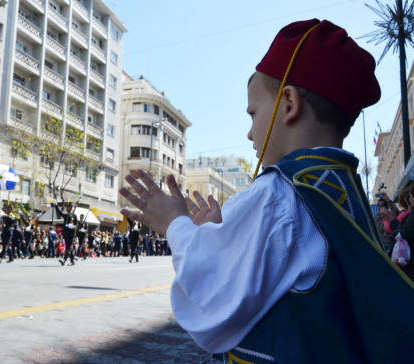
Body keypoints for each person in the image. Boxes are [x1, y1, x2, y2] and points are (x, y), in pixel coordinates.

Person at [118, 19, 414, 363]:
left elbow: (213, 293)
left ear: (288, 104)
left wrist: (175, 224)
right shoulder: (344, 189)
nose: (249, 133)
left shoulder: (279, 192)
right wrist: (220, 232)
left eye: (253, 113)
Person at [52, 202, 78, 266]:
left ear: (71, 208)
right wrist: (56, 205)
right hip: (66, 234)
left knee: (69, 248)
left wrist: (72, 226)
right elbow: (59, 212)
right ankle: (72, 261)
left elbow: (77, 225)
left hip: (71, 234)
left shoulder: (74, 216)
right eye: (67, 207)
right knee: (69, 248)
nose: (67, 208)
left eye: (68, 207)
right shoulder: (66, 215)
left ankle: (64, 259)